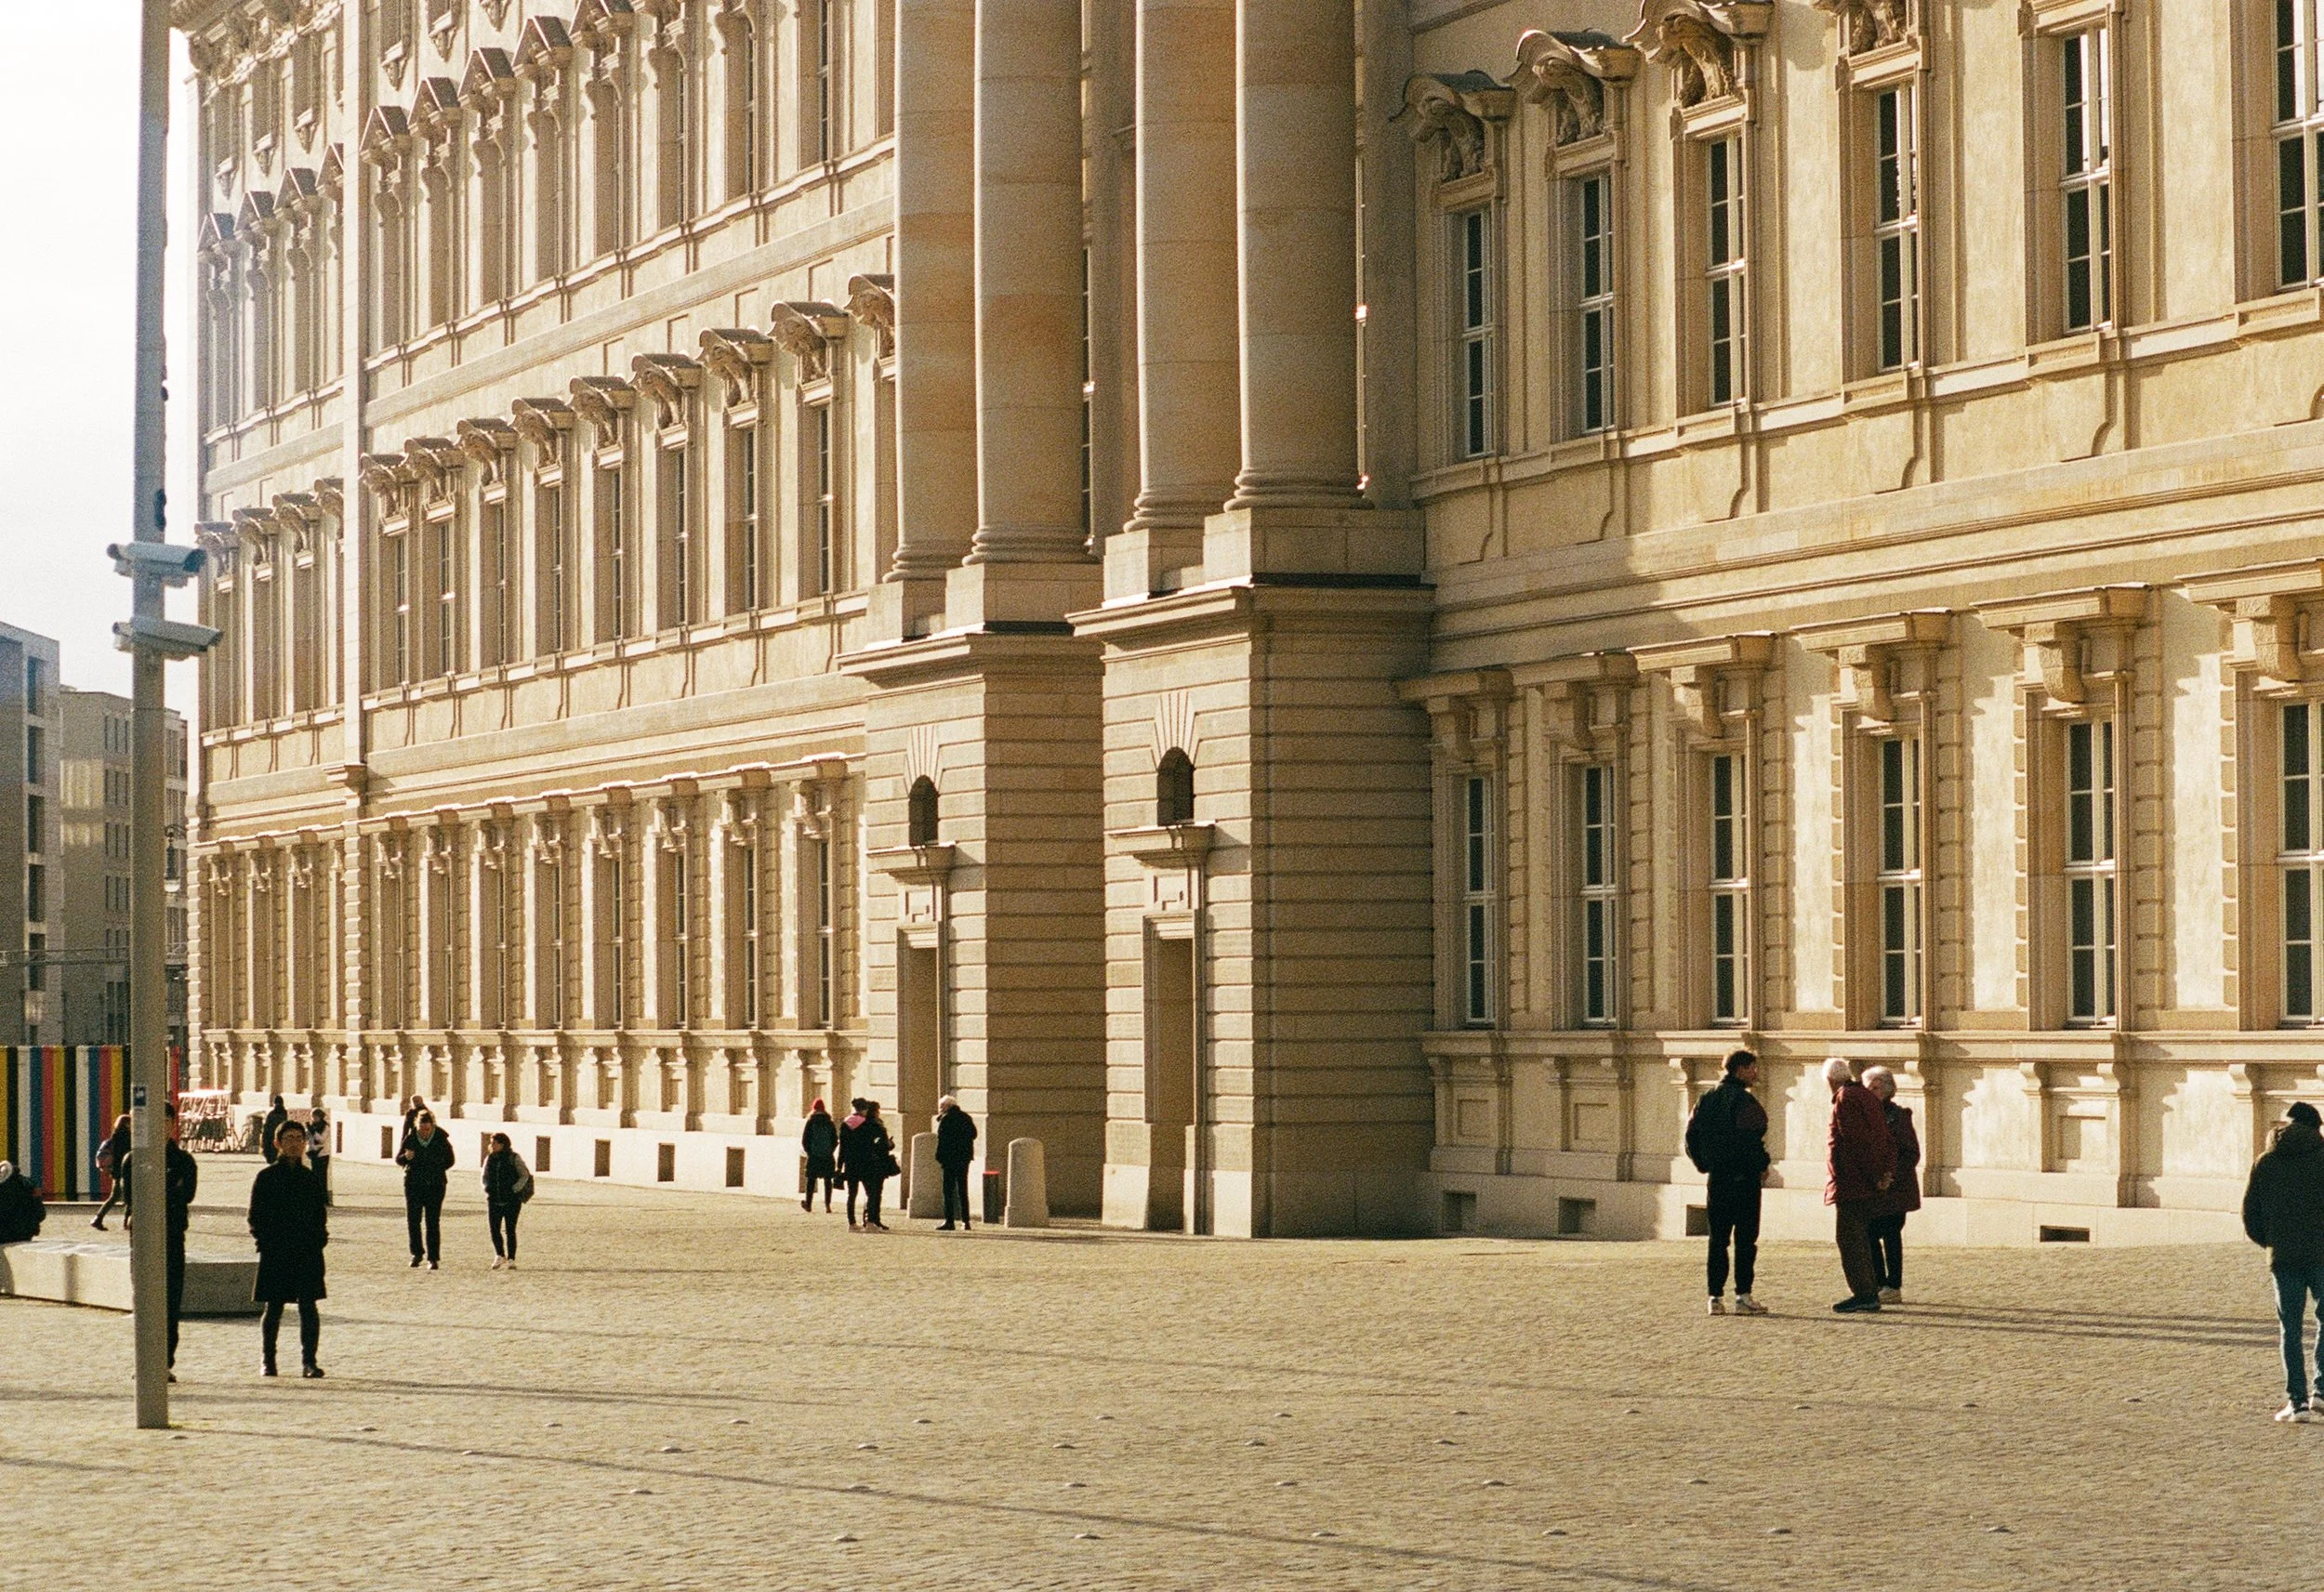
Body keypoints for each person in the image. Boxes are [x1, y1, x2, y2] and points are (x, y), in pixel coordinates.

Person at [2244, 1100, 2324, 1422]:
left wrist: (2272, 1243)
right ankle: (2321, 1393)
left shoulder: (2265, 1162)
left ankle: (2298, 1402)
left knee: (2290, 1328)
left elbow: (2250, 1215)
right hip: (2322, 1255)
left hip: (2284, 1259)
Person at [1685, 1049, 1770, 1316]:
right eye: (1752, 1068)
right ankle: (1743, 1296)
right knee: (1746, 1240)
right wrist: (1762, 1166)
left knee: (1717, 1240)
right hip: (1744, 1179)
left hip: (1718, 1178)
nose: (1756, 1073)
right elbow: (1752, 1139)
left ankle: (1715, 1298)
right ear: (1740, 1070)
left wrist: (1704, 1164)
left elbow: (1691, 1137)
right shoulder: (1745, 1102)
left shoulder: (1705, 1099)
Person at [123, 1102, 201, 1380]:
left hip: (172, 1236)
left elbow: (185, 1195)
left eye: (165, 1120)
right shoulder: (133, 1159)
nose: (159, 1126)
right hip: (141, 1241)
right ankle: (143, 1360)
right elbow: (134, 1201)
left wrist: (160, 1194)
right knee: (142, 1301)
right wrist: (168, 1190)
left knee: (170, 1301)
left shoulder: (184, 1161)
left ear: (172, 1125)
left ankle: (165, 1362)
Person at [247, 1120, 327, 1377]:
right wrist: (264, 1242)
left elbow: (319, 1215)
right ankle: (268, 1359)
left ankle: (309, 1362)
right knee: (274, 1308)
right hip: (276, 1251)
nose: (294, 1143)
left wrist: (319, 1240)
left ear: (305, 1143)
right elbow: (255, 1216)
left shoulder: (311, 1179)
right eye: (288, 1138)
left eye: (298, 1138)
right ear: (277, 1143)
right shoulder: (266, 1178)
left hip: (307, 1252)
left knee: (309, 1307)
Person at [1824, 1057, 1894, 1314]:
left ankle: (1864, 1294)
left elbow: (1856, 1142)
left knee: (1850, 1239)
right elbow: (1884, 1139)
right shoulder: (1866, 1097)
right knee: (1860, 1238)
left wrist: (1874, 1176)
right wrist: (1884, 1173)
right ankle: (1868, 1291)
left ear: (1830, 1081)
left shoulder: (1846, 1099)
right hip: (1864, 1180)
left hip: (1853, 1182)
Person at [1860, 1065, 1921, 1306]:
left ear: (1887, 1090)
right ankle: (1879, 1281)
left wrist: (1890, 1175)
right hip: (1874, 1188)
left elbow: (1910, 1153)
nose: (1871, 1092)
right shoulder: (1865, 1115)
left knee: (1891, 1234)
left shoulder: (1898, 1116)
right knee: (1869, 1234)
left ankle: (1893, 1285)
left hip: (1896, 1189)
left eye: (1875, 1088)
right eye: (1868, 1088)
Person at [396, 1108, 456, 1270]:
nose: (424, 1132)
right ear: (417, 1125)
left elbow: (451, 1160)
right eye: (422, 1129)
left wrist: (436, 1166)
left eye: (428, 1129)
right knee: (413, 1220)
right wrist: (405, 1158)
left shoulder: (441, 1138)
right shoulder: (411, 1138)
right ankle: (416, 1253)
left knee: (432, 1221)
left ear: (432, 1126)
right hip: (413, 1184)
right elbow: (398, 1159)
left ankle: (433, 1257)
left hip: (435, 1185)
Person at [838, 1099, 895, 1232]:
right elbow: (878, 1143)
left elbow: (843, 1147)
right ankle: (870, 1223)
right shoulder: (869, 1124)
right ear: (865, 1109)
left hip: (850, 1163)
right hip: (866, 1163)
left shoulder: (845, 1124)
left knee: (852, 1194)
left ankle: (851, 1224)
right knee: (872, 1193)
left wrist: (839, 1166)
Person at [481, 1132, 535, 1270]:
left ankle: (511, 1258)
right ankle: (499, 1255)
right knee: (494, 1229)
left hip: (511, 1200)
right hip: (493, 1199)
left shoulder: (514, 1158)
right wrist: (486, 1188)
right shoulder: (489, 1159)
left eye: (494, 1143)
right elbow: (484, 1176)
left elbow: (524, 1175)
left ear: (503, 1144)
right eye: (491, 1143)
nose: (491, 1145)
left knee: (510, 1230)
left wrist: (514, 1189)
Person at [934, 1095, 978, 1231]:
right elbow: (974, 1134)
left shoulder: (946, 1119)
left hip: (950, 1159)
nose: (940, 1109)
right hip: (964, 1158)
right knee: (962, 1190)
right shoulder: (966, 1117)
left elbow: (942, 1140)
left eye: (942, 1106)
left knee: (948, 1191)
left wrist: (939, 1157)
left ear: (948, 1106)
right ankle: (966, 1221)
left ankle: (949, 1221)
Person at [91, 1112, 133, 1230]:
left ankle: (98, 1219)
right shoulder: (127, 1138)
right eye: (130, 1123)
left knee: (116, 1197)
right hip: (125, 1172)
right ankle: (127, 1222)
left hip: (117, 1173)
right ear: (126, 1125)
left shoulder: (114, 1137)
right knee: (130, 1196)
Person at [800, 1099, 838, 1214]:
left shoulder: (811, 1121)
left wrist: (810, 1152)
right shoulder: (829, 1122)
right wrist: (830, 1151)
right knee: (828, 1181)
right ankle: (827, 1205)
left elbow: (805, 1140)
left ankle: (808, 1204)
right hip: (827, 1156)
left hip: (814, 1157)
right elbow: (835, 1140)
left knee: (811, 1181)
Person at [0, 1159, 45, 1243]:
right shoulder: (30, 1184)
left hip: (7, 1234)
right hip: (27, 1232)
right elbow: (41, 1213)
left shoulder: (5, 1188)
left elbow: (3, 1211)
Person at [308, 1108, 333, 1205]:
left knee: (322, 1177)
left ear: (319, 1117)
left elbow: (321, 1139)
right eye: (312, 1117)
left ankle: (324, 1199)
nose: (313, 1119)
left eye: (314, 1117)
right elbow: (309, 1138)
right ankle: (315, 1198)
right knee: (314, 1177)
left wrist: (313, 1131)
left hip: (323, 1154)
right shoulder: (313, 1126)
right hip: (314, 1153)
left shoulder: (325, 1127)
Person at [259, 1095, 288, 1165]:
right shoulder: (285, 1114)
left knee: (272, 1159)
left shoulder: (271, 1114)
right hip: (281, 1140)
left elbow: (266, 1129)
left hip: (272, 1140)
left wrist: (264, 1141)